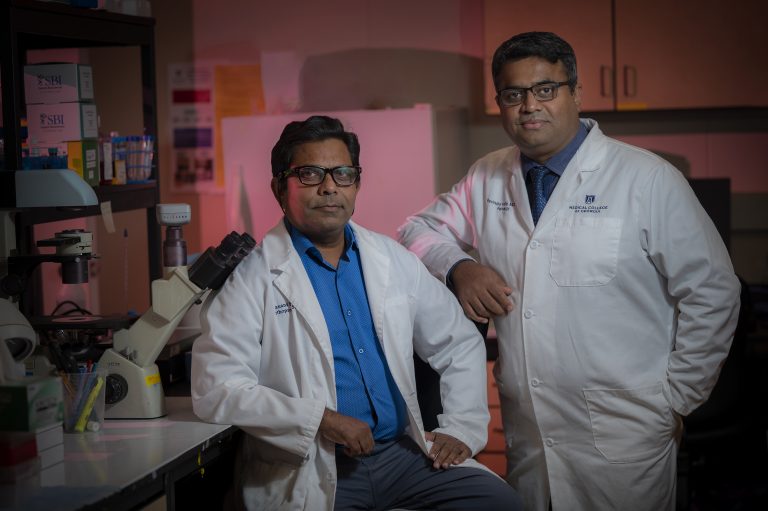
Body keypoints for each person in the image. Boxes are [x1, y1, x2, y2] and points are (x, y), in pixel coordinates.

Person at [398, 31, 741, 511]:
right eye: (513, 94)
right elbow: (415, 230)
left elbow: (713, 291)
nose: (529, 106)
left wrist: (677, 399)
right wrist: (459, 266)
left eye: (545, 89)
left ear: (576, 93)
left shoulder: (646, 178)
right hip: (530, 432)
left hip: (625, 431)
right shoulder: (486, 176)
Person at [191, 115, 521, 511]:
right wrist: (321, 419)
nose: (330, 187)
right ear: (279, 187)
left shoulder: (391, 259)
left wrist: (462, 427)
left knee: (499, 503)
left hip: (402, 456)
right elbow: (217, 389)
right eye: (310, 174)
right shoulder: (251, 278)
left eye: (343, 174)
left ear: (356, 183)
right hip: (314, 464)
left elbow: (458, 341)